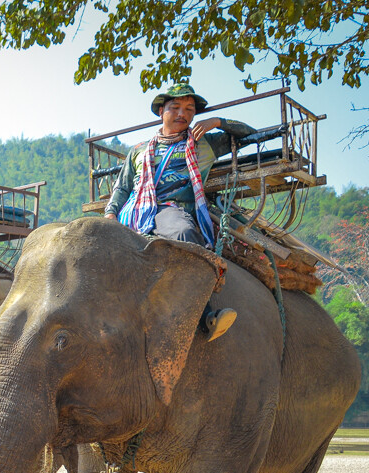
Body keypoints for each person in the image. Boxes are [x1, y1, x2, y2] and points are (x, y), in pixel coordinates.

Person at [104, 83, 257, 341]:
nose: (182, 114)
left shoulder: (204, 144)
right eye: (175, 107)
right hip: (133, 213)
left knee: (184, 232)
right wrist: (110, 215)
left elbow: (250, 133)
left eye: (189, 109)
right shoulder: (139, 150)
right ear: (161, 111)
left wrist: (216, 122)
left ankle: (205, 315)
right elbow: (123, 187)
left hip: (171, 211)